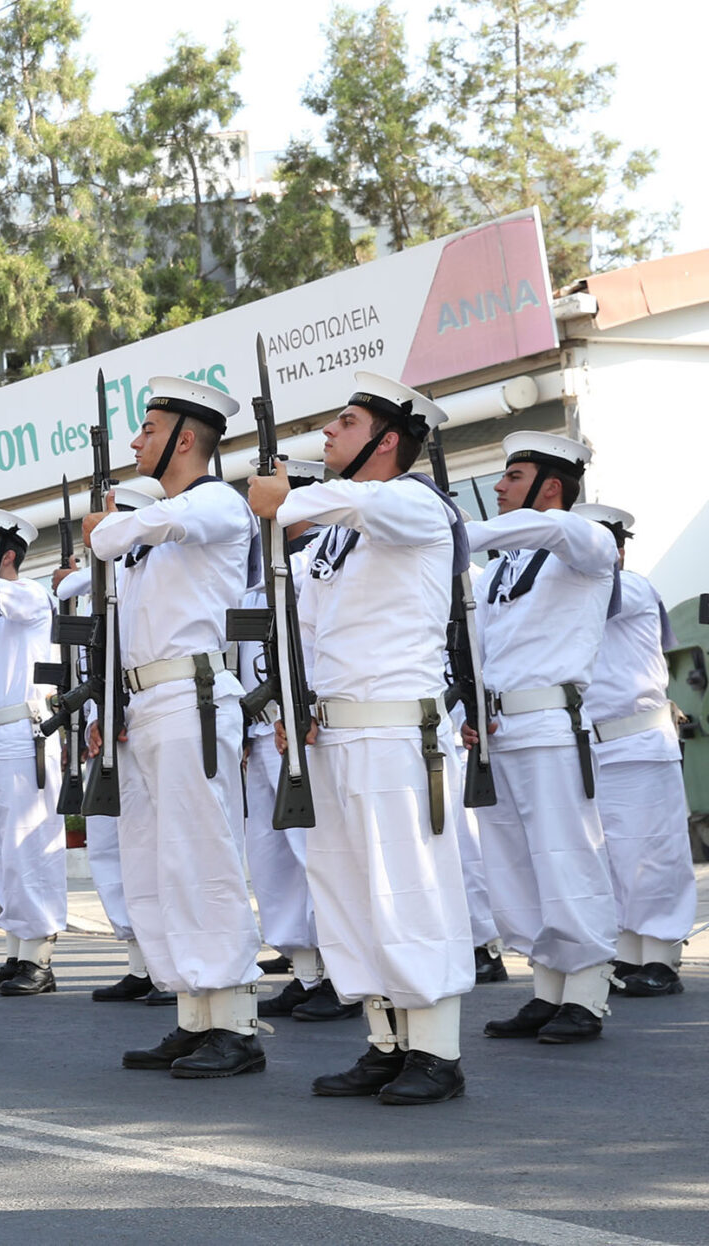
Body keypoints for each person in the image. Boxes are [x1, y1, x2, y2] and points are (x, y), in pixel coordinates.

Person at [251, 373, 475, 1105]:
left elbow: (356, 501)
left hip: (395, 734)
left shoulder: (412, 503)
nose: (326, 435)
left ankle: (436, 1050)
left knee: (407, 889)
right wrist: (293, 703)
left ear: (386, 441)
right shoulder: (335, 539)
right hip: (335, 734)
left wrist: (284, 497)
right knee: (346, 892)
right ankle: (386, 1041)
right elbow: (308, 630)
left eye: (343, 423)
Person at [84, 378, 264, 1077]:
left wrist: (110, 526)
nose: (135, 441)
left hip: (192, 697)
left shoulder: (213, 502)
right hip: (144, 705)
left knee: (202, 857)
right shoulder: (156, 527)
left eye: (149, 429)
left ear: (186, 440)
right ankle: (194, 1010)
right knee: (155, 864)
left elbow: (128, 531)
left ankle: (237, 1023)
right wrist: (107, 707)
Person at [467, 433, 620, 1045]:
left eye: (513, 476)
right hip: (501, 730)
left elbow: (556, 533)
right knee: (514, 867)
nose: (499, 487)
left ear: (550, 486)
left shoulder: (586, 539)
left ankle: (586, 992)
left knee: (567, 858)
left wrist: (456, 530)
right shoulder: (500, 566)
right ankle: (547, 987)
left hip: (554, 728)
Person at [240, 457, 351, 1023]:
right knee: (272, 859)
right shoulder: (263, 569)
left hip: (301, 727)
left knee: (316, 855)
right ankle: (305, 968)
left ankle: (341, 971)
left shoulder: (315, 564)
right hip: (261, 729)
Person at [55, 477, 172, 1005]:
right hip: (111, 722)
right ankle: (141, 958)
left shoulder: (154, 572)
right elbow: (65, 592)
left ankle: (171, 963)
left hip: (147, 715)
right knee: (112, 848)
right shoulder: (109, 578)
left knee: (160, 850)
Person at [574, 502, 696, 998]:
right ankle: (628, 952)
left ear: (616, 551)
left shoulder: (632, 587)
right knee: (614, 858)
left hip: (638, 740)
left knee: (653, 854)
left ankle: (662, 955)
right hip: (594, 744)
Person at [0, 508, 65, 999]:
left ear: (6, 556)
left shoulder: (28, 596)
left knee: (29, 845)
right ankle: (16, 950)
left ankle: (40, 957)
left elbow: (9, 603)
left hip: (22, 733)